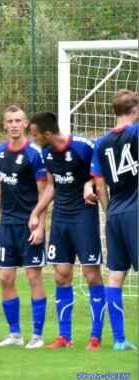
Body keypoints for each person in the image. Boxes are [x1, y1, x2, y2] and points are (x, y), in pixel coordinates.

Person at [27, 112, 106, 350]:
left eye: (34, 135)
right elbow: (51, 186)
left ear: (47, 133)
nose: (33, 139)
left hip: (84, 218)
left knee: (92, 275)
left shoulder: (83, 147)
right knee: (61, 274)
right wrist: (37, 212)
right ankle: (65, 337)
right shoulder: (46, 153)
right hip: (60, 219)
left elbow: (100, 177)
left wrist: (88, 185)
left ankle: (95, 337)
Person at [0, 105, 47, 349]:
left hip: (29, 224)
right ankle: (15, 334)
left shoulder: (34, 154)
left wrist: (40, 226)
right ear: (4, 124)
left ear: (26, 123)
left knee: (33, 276)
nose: (15, 125)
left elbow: (44, 193)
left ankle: (37, 335)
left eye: (19, 120)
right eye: (10, 121)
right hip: (6, 225)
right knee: (5, 277)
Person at [88, 89, 138, 351]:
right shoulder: (137, 133)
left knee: (115, 276)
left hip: (115, 214)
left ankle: (119, 339)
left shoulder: (101, 142)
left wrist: (108, 211)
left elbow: (99, 183)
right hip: (136, 211)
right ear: (135, 110)